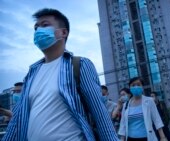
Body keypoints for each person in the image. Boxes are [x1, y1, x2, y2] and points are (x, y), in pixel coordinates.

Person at [2, 8, 118, 141]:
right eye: (36, 28)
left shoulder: (80, 65)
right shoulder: (31, 74)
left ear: (63, 32)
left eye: (45, 25)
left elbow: (100, 115)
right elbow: (17, 119)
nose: (38, 31)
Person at [118, 77, 168, 141]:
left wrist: (162, 137)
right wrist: (122, 139)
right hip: (130, 138)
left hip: (147, 138)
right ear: (130, 88)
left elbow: (157, 119)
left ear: (142, 87)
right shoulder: (126, 105)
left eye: (138, 85)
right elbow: (123, 124)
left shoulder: (149, 101)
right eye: (133, 85)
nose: (136, 87)